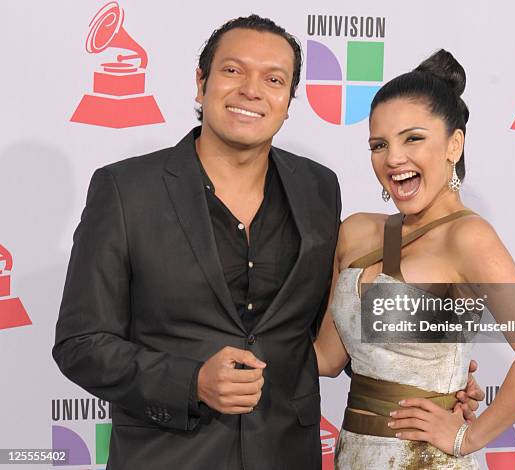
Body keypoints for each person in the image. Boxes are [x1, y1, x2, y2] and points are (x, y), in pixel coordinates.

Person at [52, 14, 482, 470]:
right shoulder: (126, 190)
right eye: (233, 71)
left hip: (286, 454)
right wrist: (190, 381)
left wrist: (424, 378)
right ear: (201, 83)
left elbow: (326, 330)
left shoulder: (318, 189)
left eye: (274, 78)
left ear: (289, 100)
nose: (251, 90)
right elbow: (81, 343)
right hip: (167, 455)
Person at [313, 49, 515, 468]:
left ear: (454, 144)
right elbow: (326, 357)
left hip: (426, 460)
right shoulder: (355, 231)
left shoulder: (469, 237)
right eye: (379, 144)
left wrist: (468, 436)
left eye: (413, 138)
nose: (393, 158)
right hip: (353, 454)